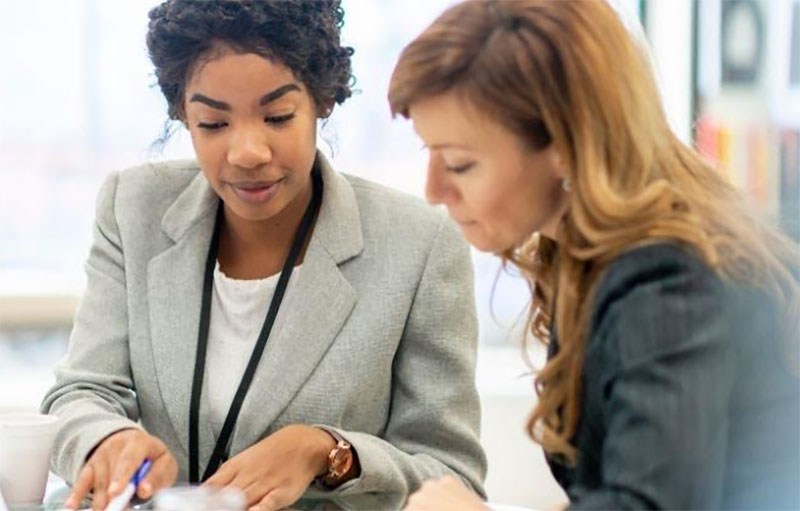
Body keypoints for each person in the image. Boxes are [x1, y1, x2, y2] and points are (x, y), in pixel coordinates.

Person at [41, 2, 487, 510]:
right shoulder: (133, 207)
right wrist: (107, 440)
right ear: (181, 113)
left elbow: (454, 478)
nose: (247, 152)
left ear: (322, 101)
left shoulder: (419, 245)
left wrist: (330, 451)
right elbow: (80, 394)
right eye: (212, 123)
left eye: (277, 117)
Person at [387, 0, 800, 509]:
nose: (432, 190)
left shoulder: (665, 280)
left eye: (459, 163)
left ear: (564, 142)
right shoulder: (583, 260)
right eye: (430, 154)